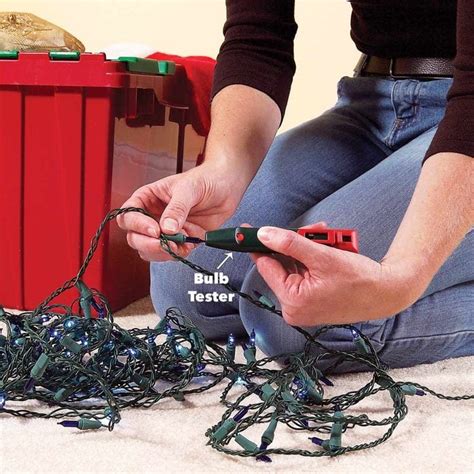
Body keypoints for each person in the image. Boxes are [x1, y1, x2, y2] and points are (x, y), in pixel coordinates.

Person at [118, 1, 473, 372]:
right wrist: (222, 171)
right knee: (185, 284)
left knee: (293, 321)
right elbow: (257, 40)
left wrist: (402, 277)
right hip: (374, 101)